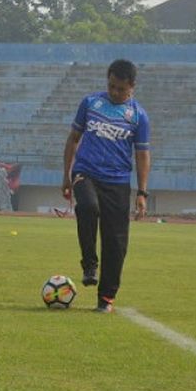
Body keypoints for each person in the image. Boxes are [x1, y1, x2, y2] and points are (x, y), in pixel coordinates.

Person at [62, 59, 151, 313]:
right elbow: (73, 139)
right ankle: (90, 264)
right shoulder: (90, 103)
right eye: (111, 86)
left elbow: (142, 155)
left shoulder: (138, 117)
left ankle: (106, 298)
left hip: (118, 182)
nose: (114, 92)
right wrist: (66, 175)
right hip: (86, 172)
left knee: (116, 243)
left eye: (121, 89)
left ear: (132, 87)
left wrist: (142, 192)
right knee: (88, 207)